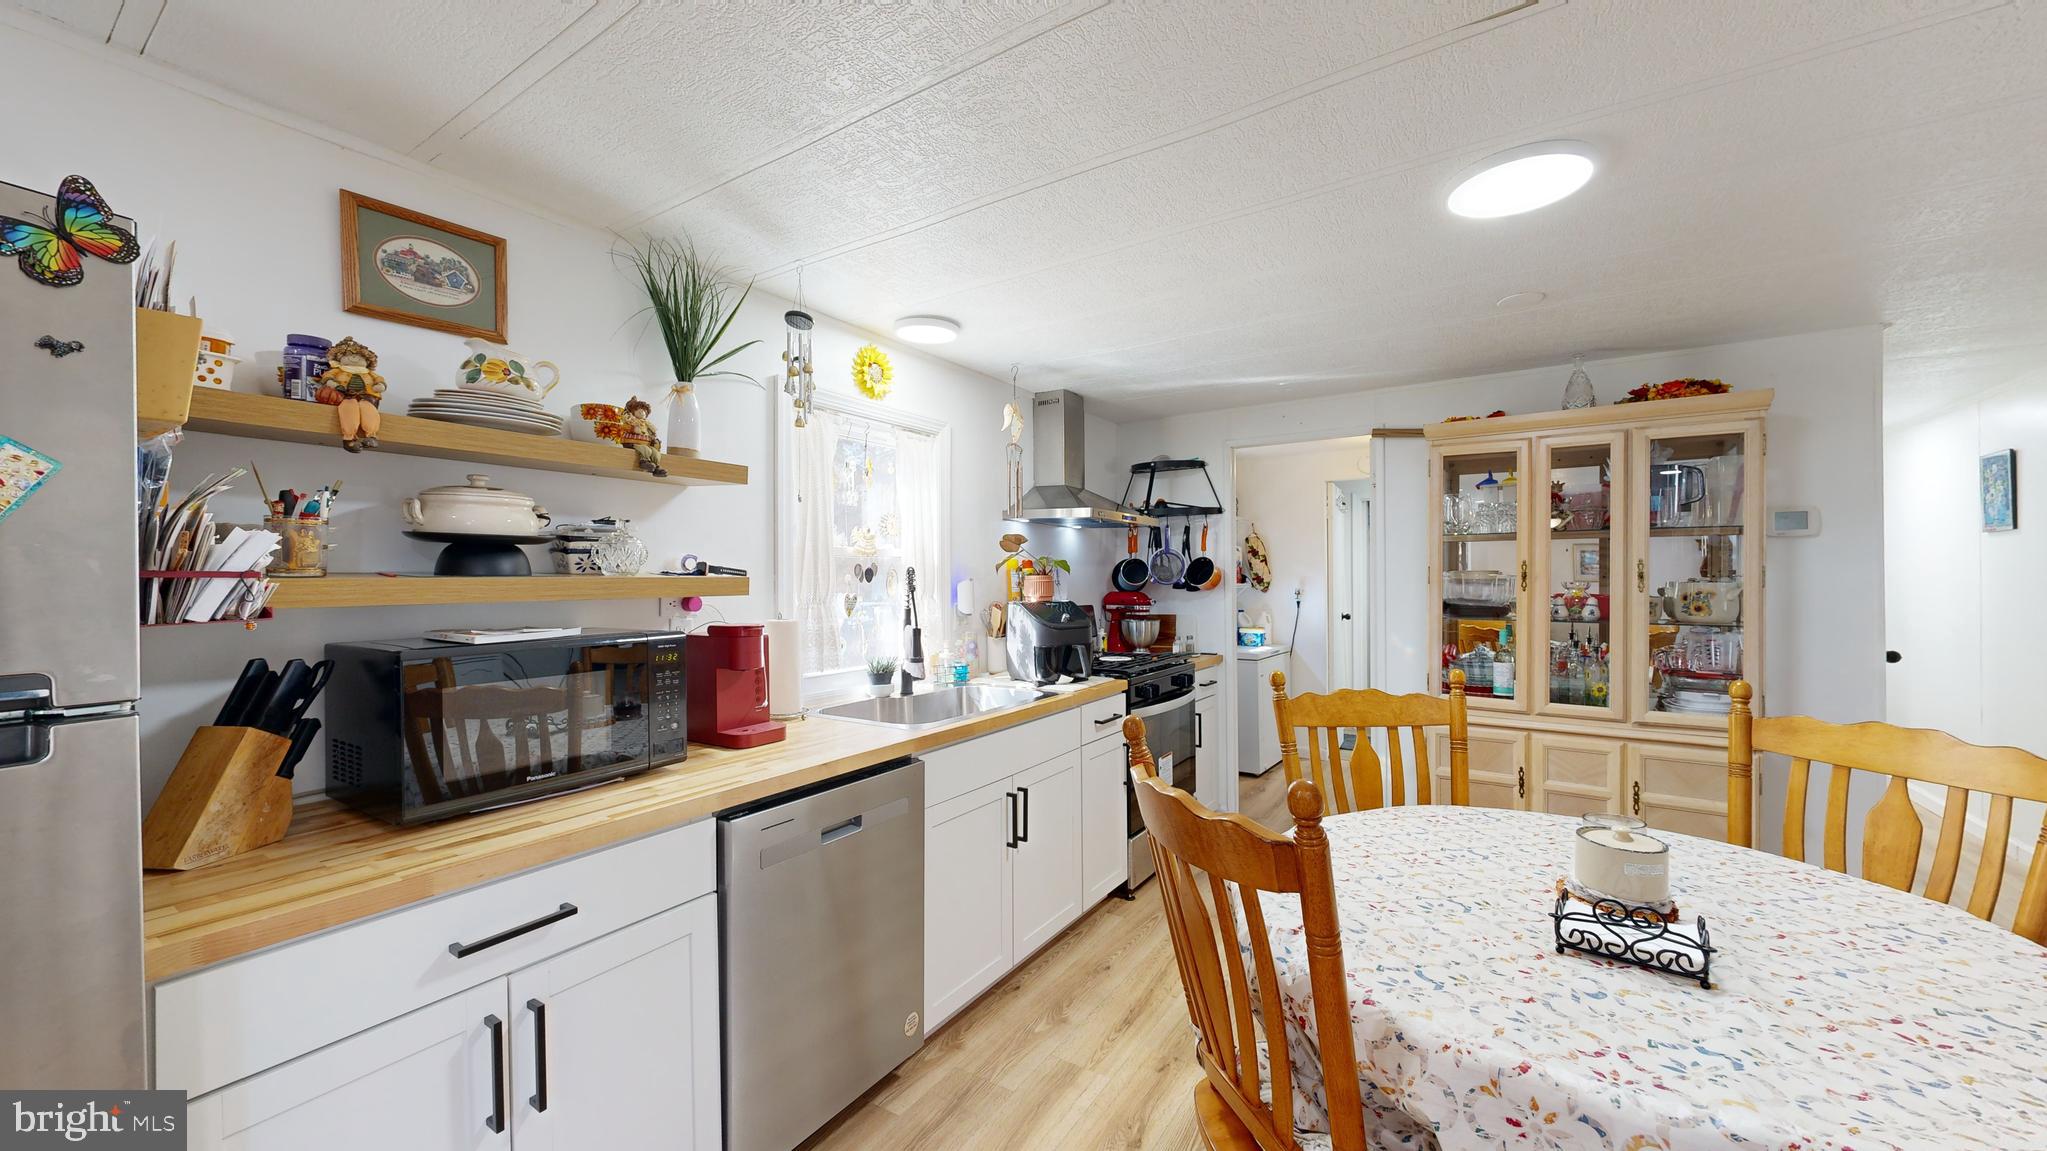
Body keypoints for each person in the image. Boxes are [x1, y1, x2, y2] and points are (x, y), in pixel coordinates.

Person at [317, 336, 387, 452]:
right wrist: (334, 385)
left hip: (366, 398)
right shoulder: (338, 370)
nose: (354, 358)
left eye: (360, 356)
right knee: (349, 410)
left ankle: (371, 436)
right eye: (349, 355)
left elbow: (380, 380)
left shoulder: (369, 373)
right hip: (346, 397)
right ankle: (349, 438)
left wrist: (380, 386)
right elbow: (328, 377)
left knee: (369, 411)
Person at [617, 396, 668, 476]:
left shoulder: (647, 424)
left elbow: (651, 433)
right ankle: (644, 461)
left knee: (655, 452)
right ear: (633, 412)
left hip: (645, 443)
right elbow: (624, 427)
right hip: (631, 442)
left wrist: (653, 438)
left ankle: (656, 467)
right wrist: (633, 429)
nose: (642, 412)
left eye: (644, 411)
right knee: (646, 450)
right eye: (638, 410)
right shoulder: (631, 421)